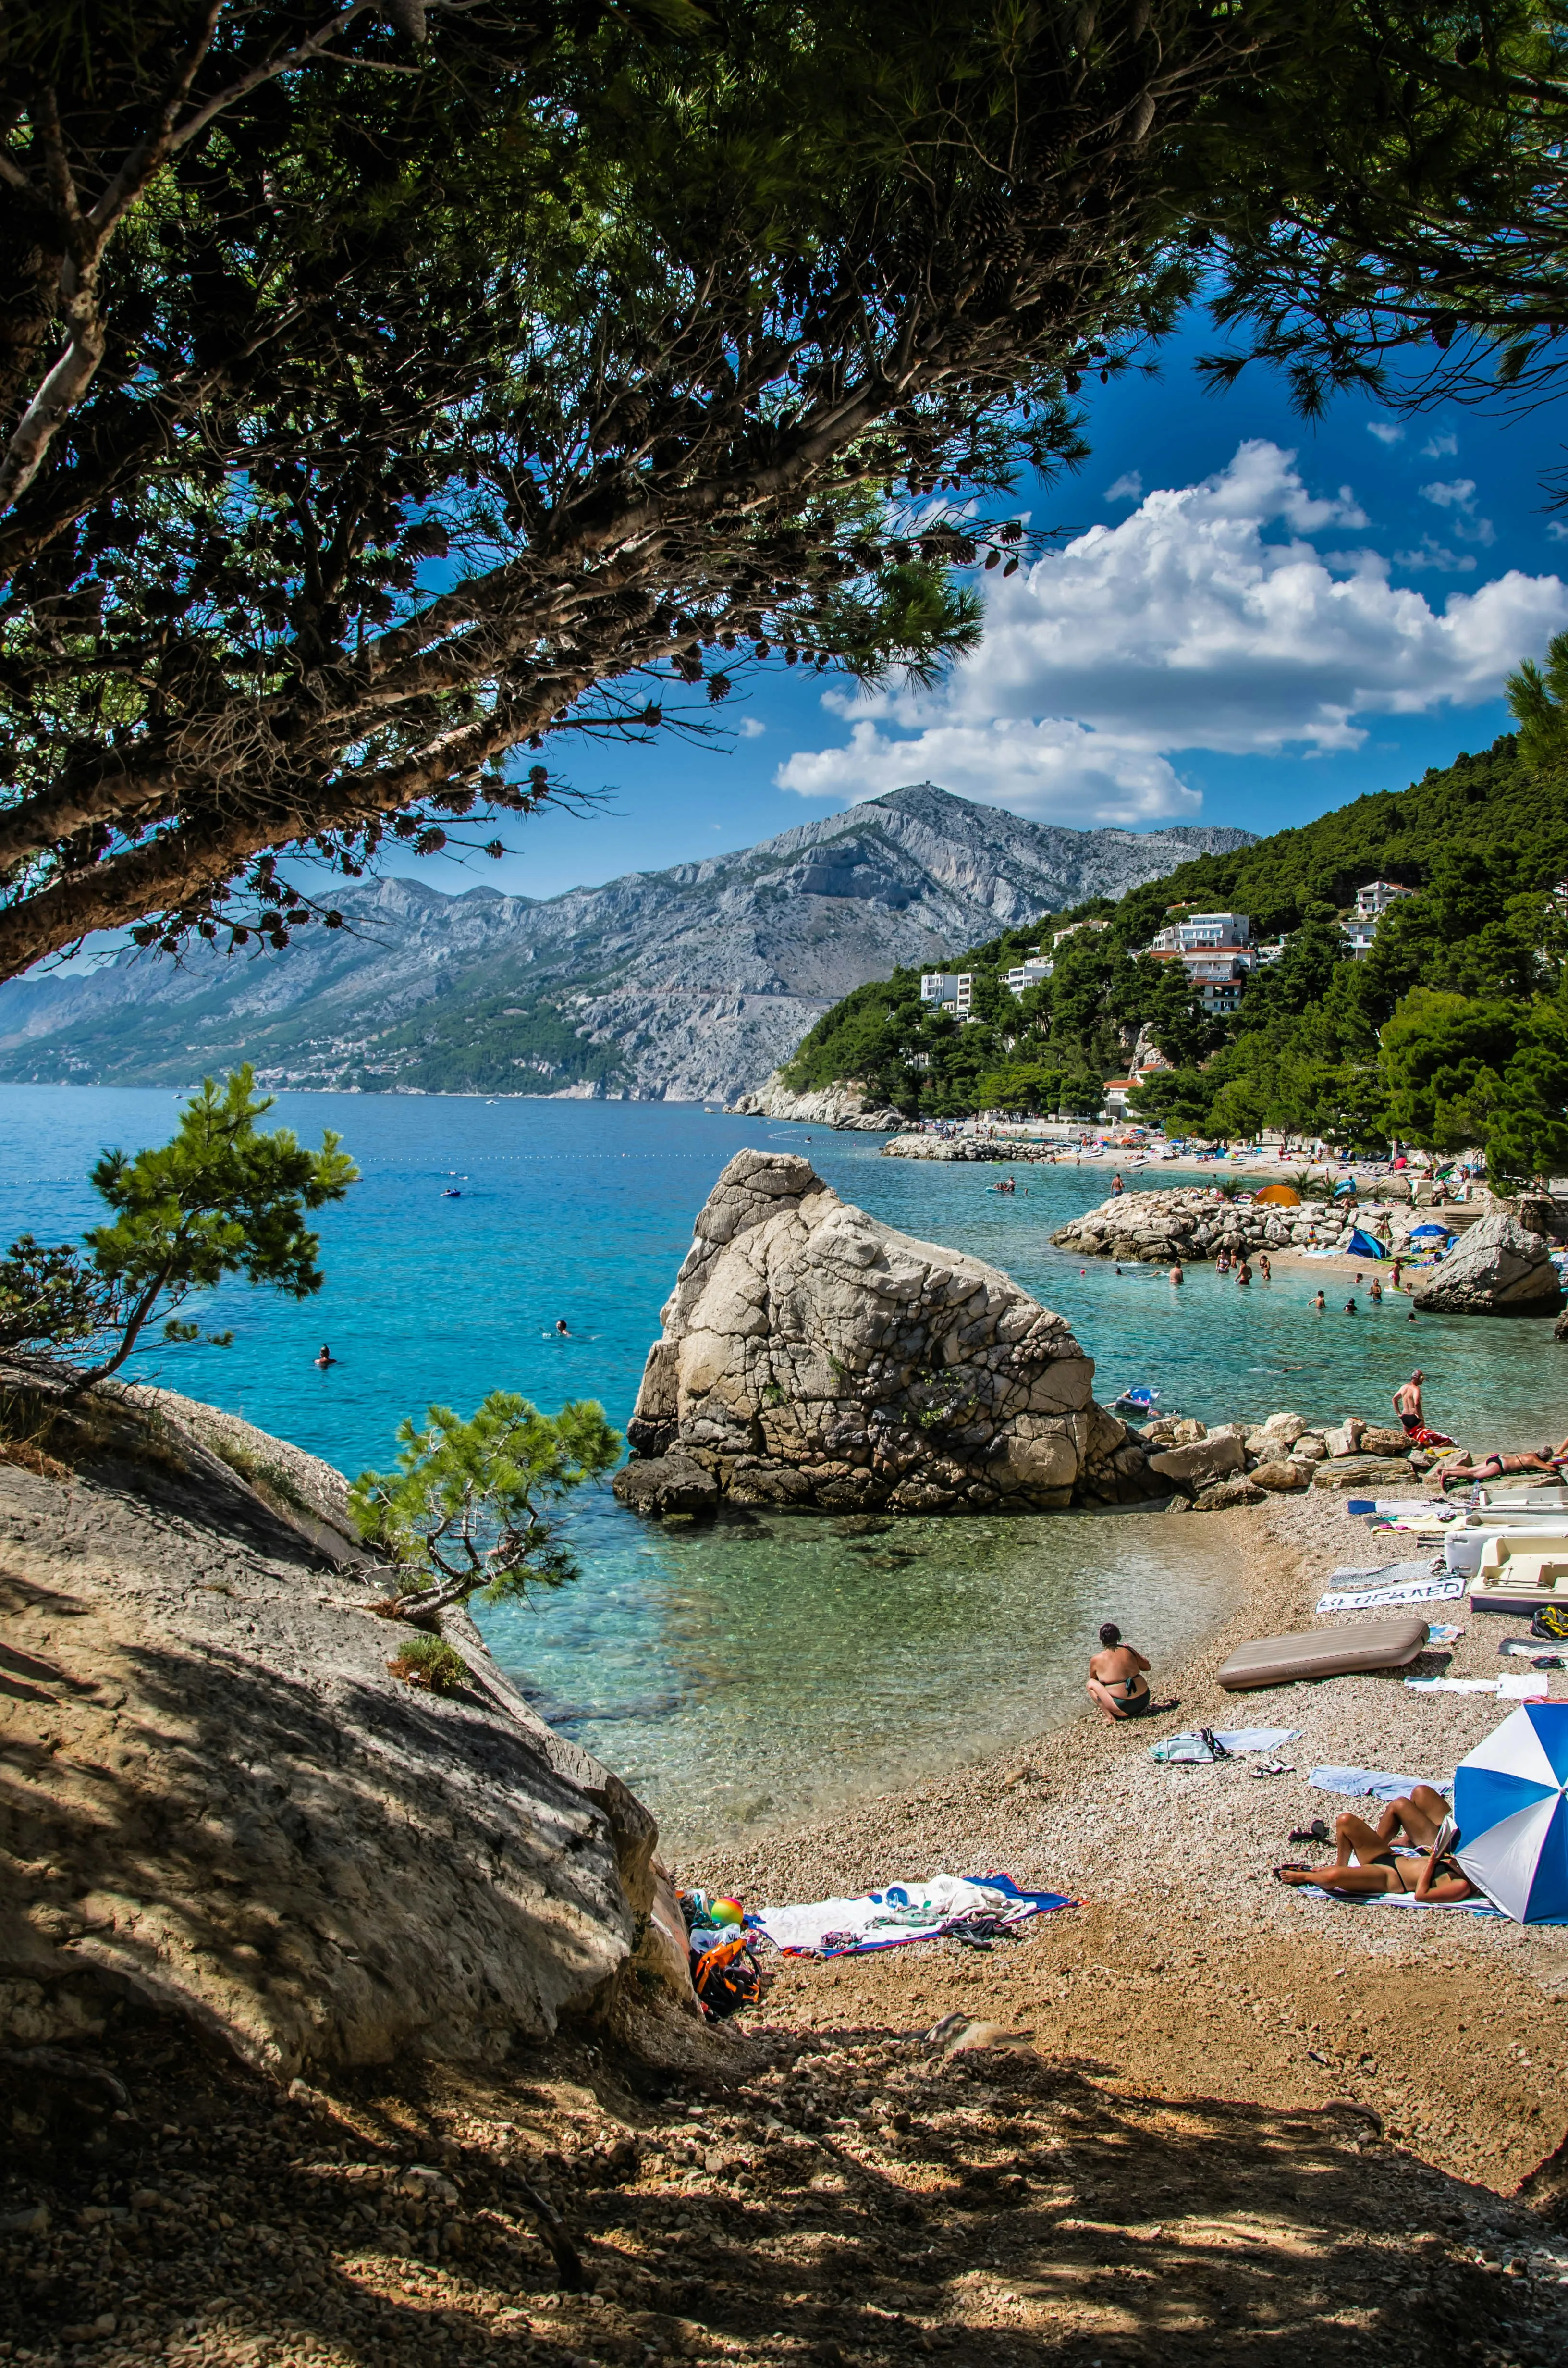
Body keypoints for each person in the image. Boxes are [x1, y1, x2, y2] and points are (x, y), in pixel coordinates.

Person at [1276, 1788, 1477, 1902]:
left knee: (1332, 1878)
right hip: (1391, 1857)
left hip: (1391, 1877)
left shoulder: (1460, 1886)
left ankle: (1306, 1876)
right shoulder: (1461, 1863)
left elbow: (1422, 1895)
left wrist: (1432, 1863)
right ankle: (1342, 1866)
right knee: (1345, 1820)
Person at [1086, 1623, 1152, 1721]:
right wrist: (1133, 1651)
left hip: (1124, 1707)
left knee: (1090, 1684)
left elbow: (1094, 1679)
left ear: (1101, 1639)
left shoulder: (1096, 1659)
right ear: (1119, 1637)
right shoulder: (1129, 1651)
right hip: (1144, 1700)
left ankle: (1110, 1717)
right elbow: (1147, 1667)